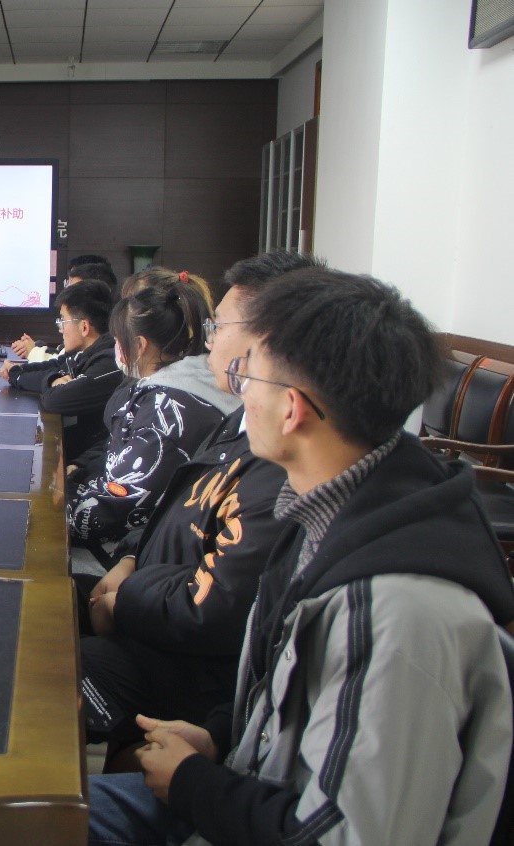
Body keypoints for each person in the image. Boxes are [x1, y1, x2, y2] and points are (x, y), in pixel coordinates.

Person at [87, 268, 514, 846]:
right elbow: (286, 692)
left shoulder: (396, 613)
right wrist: (218, 738)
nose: (238, 391)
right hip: (249, 788)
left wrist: (194, 786)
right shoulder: (325, 508)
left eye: (251, 375)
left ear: (292, 409)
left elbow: (346, 835)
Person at [76, 253, 323, 748]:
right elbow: (174, 506)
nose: (207, 340)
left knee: (47, 666)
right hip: (152, 601)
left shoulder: (281, 465)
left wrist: (126, 601)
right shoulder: (240, 421)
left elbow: (216, 611)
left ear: (263, 346)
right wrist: (130, 559)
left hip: (185, 665)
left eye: (218, 327)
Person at [67, 278, 237, 548]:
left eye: (118, 340)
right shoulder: (191, 383)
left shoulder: (166, 410)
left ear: (140, 345)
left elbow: (112, 511)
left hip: (138, 546)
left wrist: (58, 506)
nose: (115, 348)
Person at [1, 280, 122, 462]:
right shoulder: (87, 353)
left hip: (92, 457)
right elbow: (54, 367)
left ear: (84, 327)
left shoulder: (108, 361)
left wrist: (51, 382)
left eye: (63, 321)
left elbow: (55, 400)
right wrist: (17, 372)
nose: (61, 330)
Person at [10, 261, 117, 362]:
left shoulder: (103, 359)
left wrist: (33, 352)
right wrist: (36, 347)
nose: (68, 292)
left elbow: (60, 366)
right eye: (67, 285)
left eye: (74, 289)